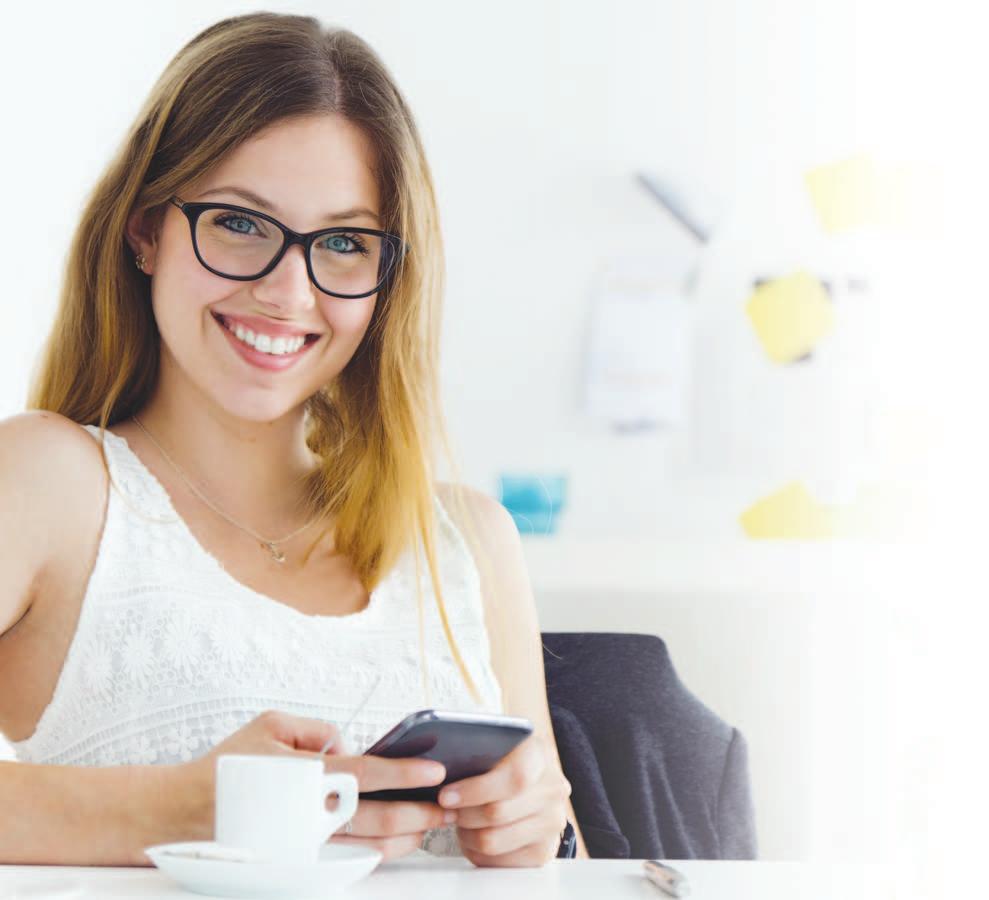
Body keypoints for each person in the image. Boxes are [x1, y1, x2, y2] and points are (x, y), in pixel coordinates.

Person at [0, 11, 585, 866]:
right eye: (239, 223)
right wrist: (183, 808)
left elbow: (569, 863)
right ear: (146, 229)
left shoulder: (467, 542)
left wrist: (542, 832)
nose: (287, 292)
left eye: (343, 242)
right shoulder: (49, 485)